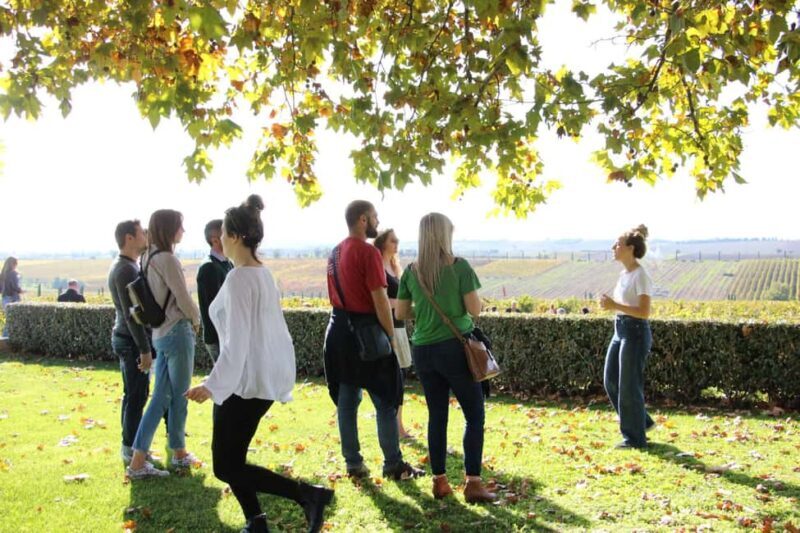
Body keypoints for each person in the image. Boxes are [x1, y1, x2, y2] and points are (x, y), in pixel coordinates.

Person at [186, 195, 333, 533]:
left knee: (225, 466)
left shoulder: (239, 279)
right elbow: (271, 334)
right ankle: (256, 520)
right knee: (233, 458)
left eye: (223, 233)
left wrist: (213, 385)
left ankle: (306, 495)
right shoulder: (262, 274)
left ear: (235, 236)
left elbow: (237, 342)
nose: (219, 239)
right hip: (258, 379)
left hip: (245, 382)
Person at [396, 213, 496, 503]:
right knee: (474, 414)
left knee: (437, 415)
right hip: (455, 348)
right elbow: (474, 309)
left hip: (423, 350)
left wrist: (425, 312)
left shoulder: (411, 271)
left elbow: (401, 312)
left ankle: (439, 481)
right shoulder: (459, 266)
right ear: (444, 235)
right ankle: (473, 483)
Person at [324, 200, 423, 481]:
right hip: (367, 333)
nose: (378, 222)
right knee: (386, 399)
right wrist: (390, 336)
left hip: (338, 331)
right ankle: (393, 463)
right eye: (375, 217)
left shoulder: (334, 252)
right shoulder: (367, 252)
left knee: (346, 402)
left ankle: (353, 464)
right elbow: (379, 299)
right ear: (363, 219)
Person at [126, 209, 201, 479]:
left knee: (161, 397)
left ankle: (140, 459)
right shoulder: (168, 259)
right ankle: (177, 453)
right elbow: (182, 298)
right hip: (177, 331)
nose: (183, 231)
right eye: (180, 226)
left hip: (160, 333)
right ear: (170, 229)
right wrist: (197, 320)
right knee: (180, 396)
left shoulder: (148, 257)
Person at [599, 224, 656, 449]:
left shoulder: (641, 275)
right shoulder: (624, 274)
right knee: (610, 381)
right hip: (620, 330)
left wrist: (614, 305)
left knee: (629, 386)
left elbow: (644, 312)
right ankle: (642, 422)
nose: (613, 247)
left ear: (630, 248)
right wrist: (611, 306)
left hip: (635, 332)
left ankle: (634, 439)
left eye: (618, 244)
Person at [108, 220, 153, 465]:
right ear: (129, 238)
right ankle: (131, 448)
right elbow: (132, 314)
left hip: (128, 339)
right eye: (142, 233)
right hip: (131, 341)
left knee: (134, 394)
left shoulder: (128, 265)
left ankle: (132, 445)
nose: (146, 236)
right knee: (136, 395)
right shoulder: (125, 269)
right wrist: (144, 349)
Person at [373, 229, 413, 439]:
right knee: (393, 378)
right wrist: (399, 303)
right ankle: (394, 427)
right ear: (382, 243)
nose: (397, 243)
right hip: (388, 328)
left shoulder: (395, 267)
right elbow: (377, 300)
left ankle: (399, 425)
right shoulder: (378, 268)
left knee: (401, 376)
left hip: (400, 327)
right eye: (393, 240)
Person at [196, 219, 233, 364]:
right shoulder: (209, 267)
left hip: (226, 336)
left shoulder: (227, 263)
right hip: (218, 337)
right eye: (229, 234)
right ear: (215, 240)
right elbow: (215, 309)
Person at [1, 257, 23, 337]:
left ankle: (4, 338)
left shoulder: (2, 274)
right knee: (15, 320)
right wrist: (21, 291)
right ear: (14, 264)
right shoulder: (13, 273)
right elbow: (14, 286)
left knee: (8, 320)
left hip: (4, 299)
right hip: (13, 298)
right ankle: (9, 339)